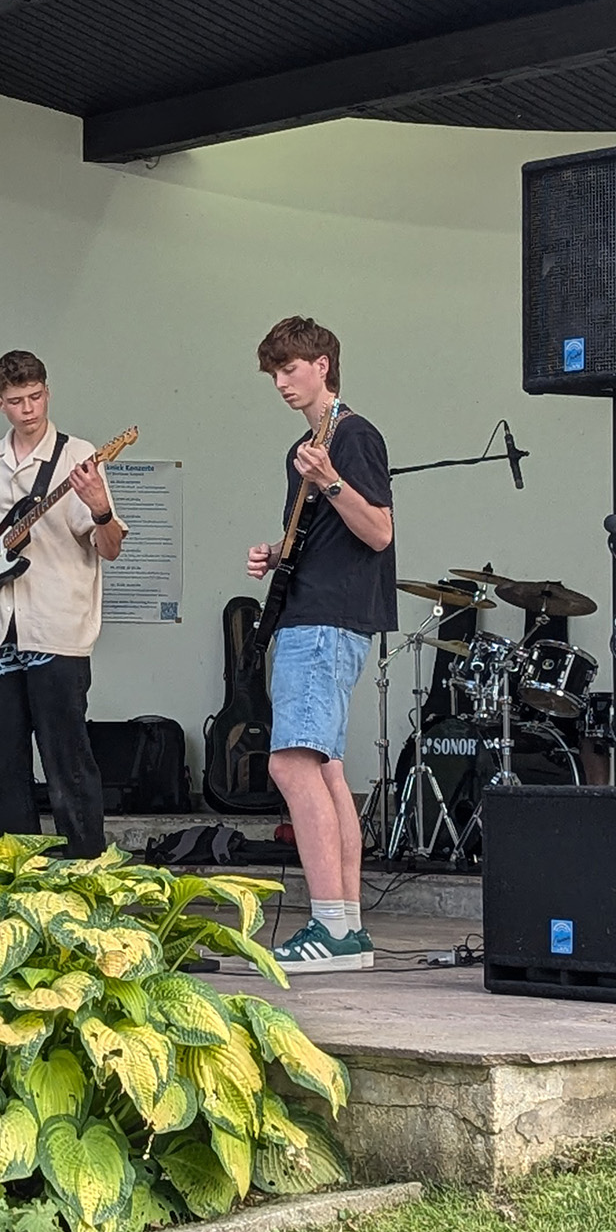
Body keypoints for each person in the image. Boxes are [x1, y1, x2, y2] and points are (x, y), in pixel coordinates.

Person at [245, 317, 394, 973]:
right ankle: (348, 928)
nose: (281, 382)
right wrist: (276, 554)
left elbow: (380, 531)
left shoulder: (353, 436)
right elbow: (324, 538)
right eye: (274, 372)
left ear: (323, 364)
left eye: (291, 368)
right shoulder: (304, 447)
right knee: (326, 769)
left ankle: (329, 925)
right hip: (314, 614)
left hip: (325, 623)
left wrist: (331, 479)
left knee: (291, 765)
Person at [0, 351, 125, 856]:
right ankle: (12, 865)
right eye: (17, 401)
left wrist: (100, 508)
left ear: (48, 392)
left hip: (57, 627)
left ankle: (85, 861)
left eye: (36, 397)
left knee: (66, 756)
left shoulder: (78, 455)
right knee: (4, 760)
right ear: (0, 404)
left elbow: (109, 548)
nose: (29, 409)